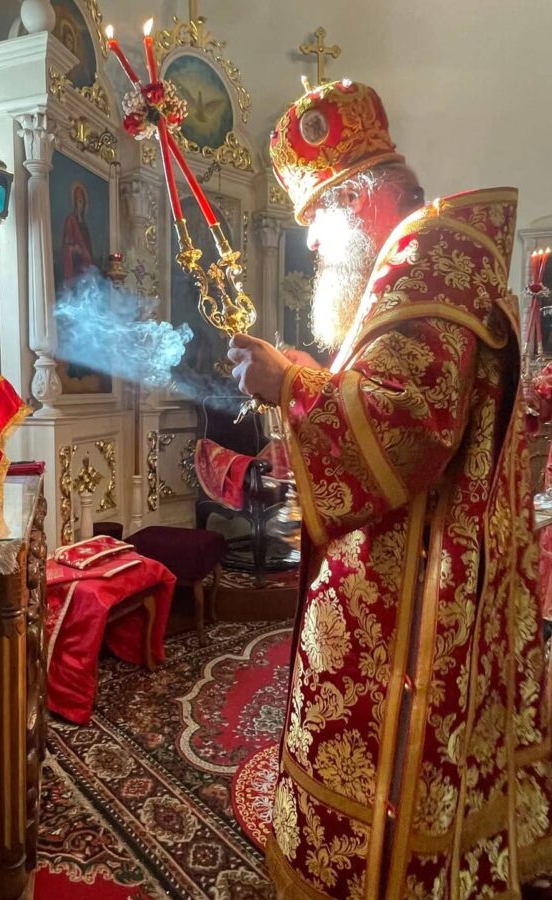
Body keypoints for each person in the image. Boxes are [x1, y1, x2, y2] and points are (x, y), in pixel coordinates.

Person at [228, 79, 552, 898]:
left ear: (356, 200)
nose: (311, 246)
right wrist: (308, 377)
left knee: (391, 760)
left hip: (414, 589)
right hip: (441, 563)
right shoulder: (440, 264)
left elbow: (406, 428)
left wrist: (286, 387)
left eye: (316, 221)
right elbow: (397, 393)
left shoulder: (421, 267)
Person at [62, 181, 94, 281]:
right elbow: (67, 246)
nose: (80, 203)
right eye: (78, 200)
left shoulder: (84, 225)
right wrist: (74, 249)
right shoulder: (70, 220)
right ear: (74, 202)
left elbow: (88, 249)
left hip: (85, 266)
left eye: (82, 200)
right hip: (76, 265)